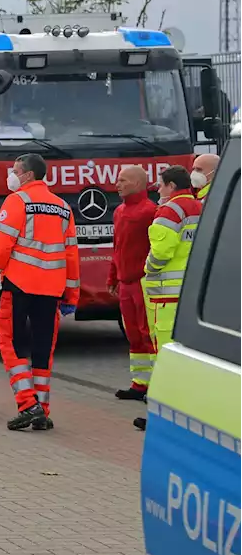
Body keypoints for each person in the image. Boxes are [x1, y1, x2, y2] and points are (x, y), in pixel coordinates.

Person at [0, 153, 80, 432]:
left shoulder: (17, 202)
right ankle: (42, 411)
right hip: (52, 290)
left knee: (10, 344)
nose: (11, 175)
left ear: (28, 175)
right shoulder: (62, 207)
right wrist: (71, 295)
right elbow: (71, 254)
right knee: (42, 350)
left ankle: (27, 404)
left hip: (20, 287)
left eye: (15, 171)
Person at [135, 165, 201, 431]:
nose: (159, 191)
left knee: (164, 357)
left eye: (161, 185)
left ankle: (164, 419)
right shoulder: (201, 207)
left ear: (171, 186)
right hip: (193, 295)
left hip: (167, 298)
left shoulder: (170, 210)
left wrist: (149, 268)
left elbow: (161, 251)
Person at [108, 165, 157, 402]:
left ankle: (155, 385)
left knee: (148, 333)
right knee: (133, 334)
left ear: (138, 184)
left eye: (123, 181)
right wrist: (112, 275)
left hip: (143, 281)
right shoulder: (119, 212)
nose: (118, 185)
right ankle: (140, 383)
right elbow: (117, 246)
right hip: (125, 282)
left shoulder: (150, 211)